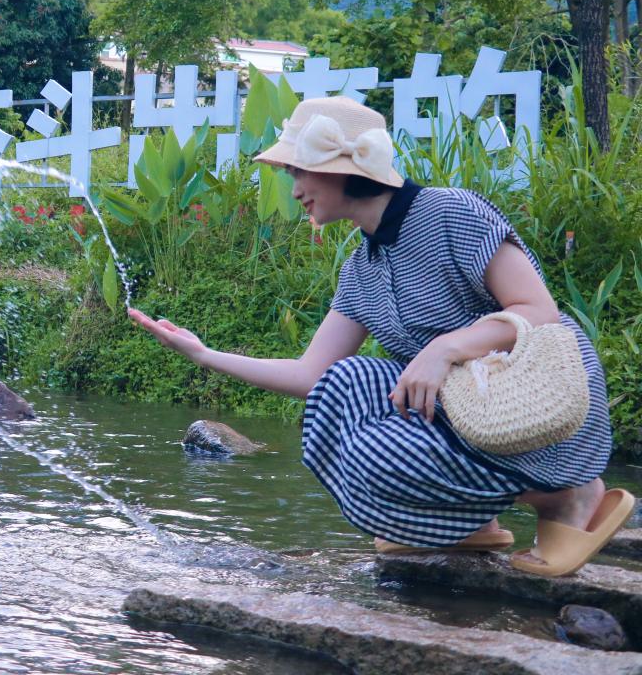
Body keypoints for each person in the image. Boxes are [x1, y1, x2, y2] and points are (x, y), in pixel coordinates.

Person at [129, 95, 632, 577]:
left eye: (298, 171)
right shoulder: (360, 270)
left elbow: (539, 312)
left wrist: (444, 348)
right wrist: (203, 354)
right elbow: (311, 374)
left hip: (544, 404)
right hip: (464, 415)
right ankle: (470, 524)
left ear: (339, 168)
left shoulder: (452, 212)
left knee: (371, 433)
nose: (294, 189)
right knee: (341, 391)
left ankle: (568, 495)